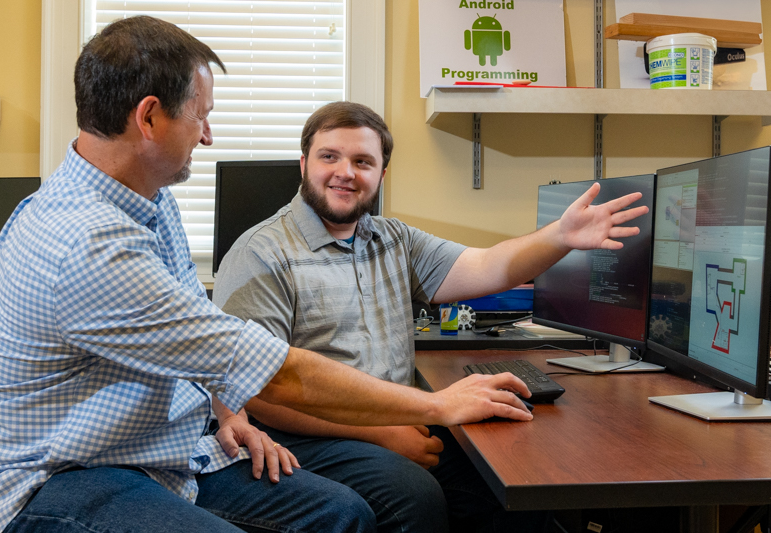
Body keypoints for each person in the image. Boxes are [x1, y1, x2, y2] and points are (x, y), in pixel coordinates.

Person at [0, 17, 542, 533]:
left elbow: (199, 346)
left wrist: (225, 411)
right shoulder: (86, 241)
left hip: (155, 448)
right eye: (202, 116)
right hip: (54, 476)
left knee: (342, 514)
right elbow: (272, 371)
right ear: (149, 117)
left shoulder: (147, 199)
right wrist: (437, 405)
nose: (209, 135)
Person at [212, 101, 649, 532]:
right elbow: (261, 393)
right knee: (413, 498)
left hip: (397, 415)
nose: (345, 172)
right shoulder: (261, 253)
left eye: (363, 161)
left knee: (518, 470)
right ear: (304, 163)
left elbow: (488, 266)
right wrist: (382, 431)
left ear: (382, 174)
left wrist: (561, 236)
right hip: (308, 434)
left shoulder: (392, 239)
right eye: (330, 156)